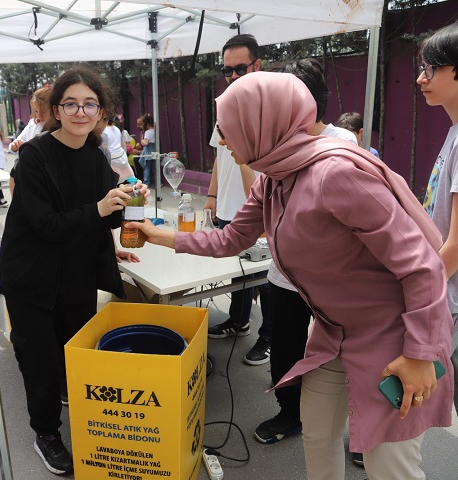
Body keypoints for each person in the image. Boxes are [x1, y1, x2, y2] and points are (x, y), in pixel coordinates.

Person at [128, 71, 454, 480]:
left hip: (394, 337)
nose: (222, 139)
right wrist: (157, 235)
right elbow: (231, 238)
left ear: (262, 124)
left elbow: (422, 265)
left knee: (389, 466)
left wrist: (420, 353)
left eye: (227, 128)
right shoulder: (275, 175)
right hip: (334, 330)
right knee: (317, 435)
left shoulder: (336, 173)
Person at [0, 65, 147, 475]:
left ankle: (70, 406)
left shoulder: (97, 157)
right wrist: (98, 210)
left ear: (101, 112)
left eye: (90, 104)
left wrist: (129, 199)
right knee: (41, 356)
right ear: (56, 110)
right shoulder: (35, 157)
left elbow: (105, 219)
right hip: (32, 275)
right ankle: (45, 431)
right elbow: (45, 223)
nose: (81, 112)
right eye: (71, 104)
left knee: (75, 349)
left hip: (75, 269)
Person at [249, 58, 361, 450]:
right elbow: (248, 217)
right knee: (284, 347)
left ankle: (363, 433)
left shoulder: (341, 144)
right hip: (284, 276)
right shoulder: (273, 144)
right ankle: (289, 412)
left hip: (333, 281)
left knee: (349, 357)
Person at [200, 34, 272, 368]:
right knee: (237, 275)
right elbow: (219, 157)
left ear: (258, 65)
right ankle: (239, 319)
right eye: (227, 70)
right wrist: (213, 195)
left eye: (239, 69)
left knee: (266, 278)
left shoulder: (270, 111)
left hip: (261, 210)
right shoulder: (224, 106)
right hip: (228, 207)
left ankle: (269, 336)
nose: (232, 76)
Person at [419, 20, 458, 415]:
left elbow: (457, 246)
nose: (420, 78)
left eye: (430, 68)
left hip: (448, 299)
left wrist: (418, 294)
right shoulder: (453, 132)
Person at [8, 86, 51, 195]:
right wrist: (15, 146)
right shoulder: (32, 124)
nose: (39, 115)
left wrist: (26, 147)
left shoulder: (57, 129)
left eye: (43, 112)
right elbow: (14, 144)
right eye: (36, 111)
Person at [99, 115, 134, 183]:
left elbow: (105, 148)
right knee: (127, 181)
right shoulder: (116, 129)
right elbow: (122, 144)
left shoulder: (104, 131)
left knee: (112, 182)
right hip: (122, 156)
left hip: (111, 159)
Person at [132, 113, 155, 186]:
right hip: (154, 150)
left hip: (148, 151)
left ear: (147, 124)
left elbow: (146, 142)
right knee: (154, 167)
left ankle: (146, 182)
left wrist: (142, 141)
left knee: (147, 167)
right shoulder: (154, 130)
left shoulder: (148, 132)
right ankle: (157, 182)